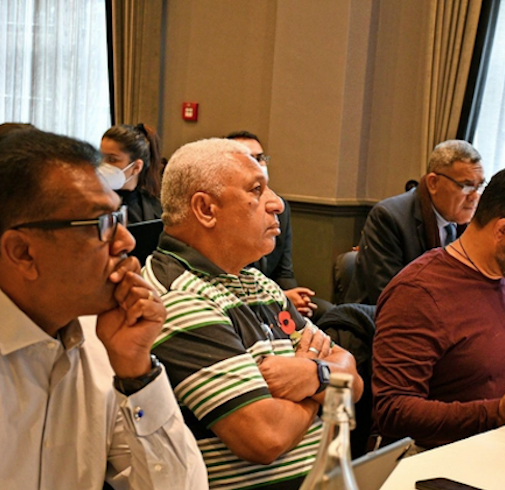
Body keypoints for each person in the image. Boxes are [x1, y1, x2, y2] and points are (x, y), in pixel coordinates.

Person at [144, 138, 363, 489]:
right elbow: (266, 438)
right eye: (257, 189)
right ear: (205, 209)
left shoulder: (256, 281)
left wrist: (309, 374)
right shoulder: (179, 297)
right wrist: (321, 385)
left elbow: (353, 380)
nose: (277, 204)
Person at [0, 129, 208, 489]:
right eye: (102, 223)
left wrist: (137, 373)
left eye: (119, 218)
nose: (127, 240)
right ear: (23, 252)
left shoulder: (100, 347)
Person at [372, 161, 505, 450]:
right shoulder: (419, 292)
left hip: (502, 442)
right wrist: (497, 412)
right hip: (440, 457)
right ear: (503, 230)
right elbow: (393, 411)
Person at [346, 140, 485, 305]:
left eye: (480, 186)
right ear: (433, 183)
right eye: (467, 186)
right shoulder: (388, 217)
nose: (475, 196)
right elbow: (390, 295)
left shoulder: (467, 223)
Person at [224, 130, 333, 321]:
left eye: (261, 158)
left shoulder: (279, 207)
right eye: (248, 158)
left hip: (273, 294)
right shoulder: (226, 211)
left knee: (333, 314)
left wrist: (295, 298)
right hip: (241, 301)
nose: (257, 165)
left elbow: (284, 272)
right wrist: (281, 299)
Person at [100, 123, 164, 223]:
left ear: (136, 167)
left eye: (112, 159)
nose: (103, 164)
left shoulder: (157, 211)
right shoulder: (90, 204)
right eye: (100, 157)